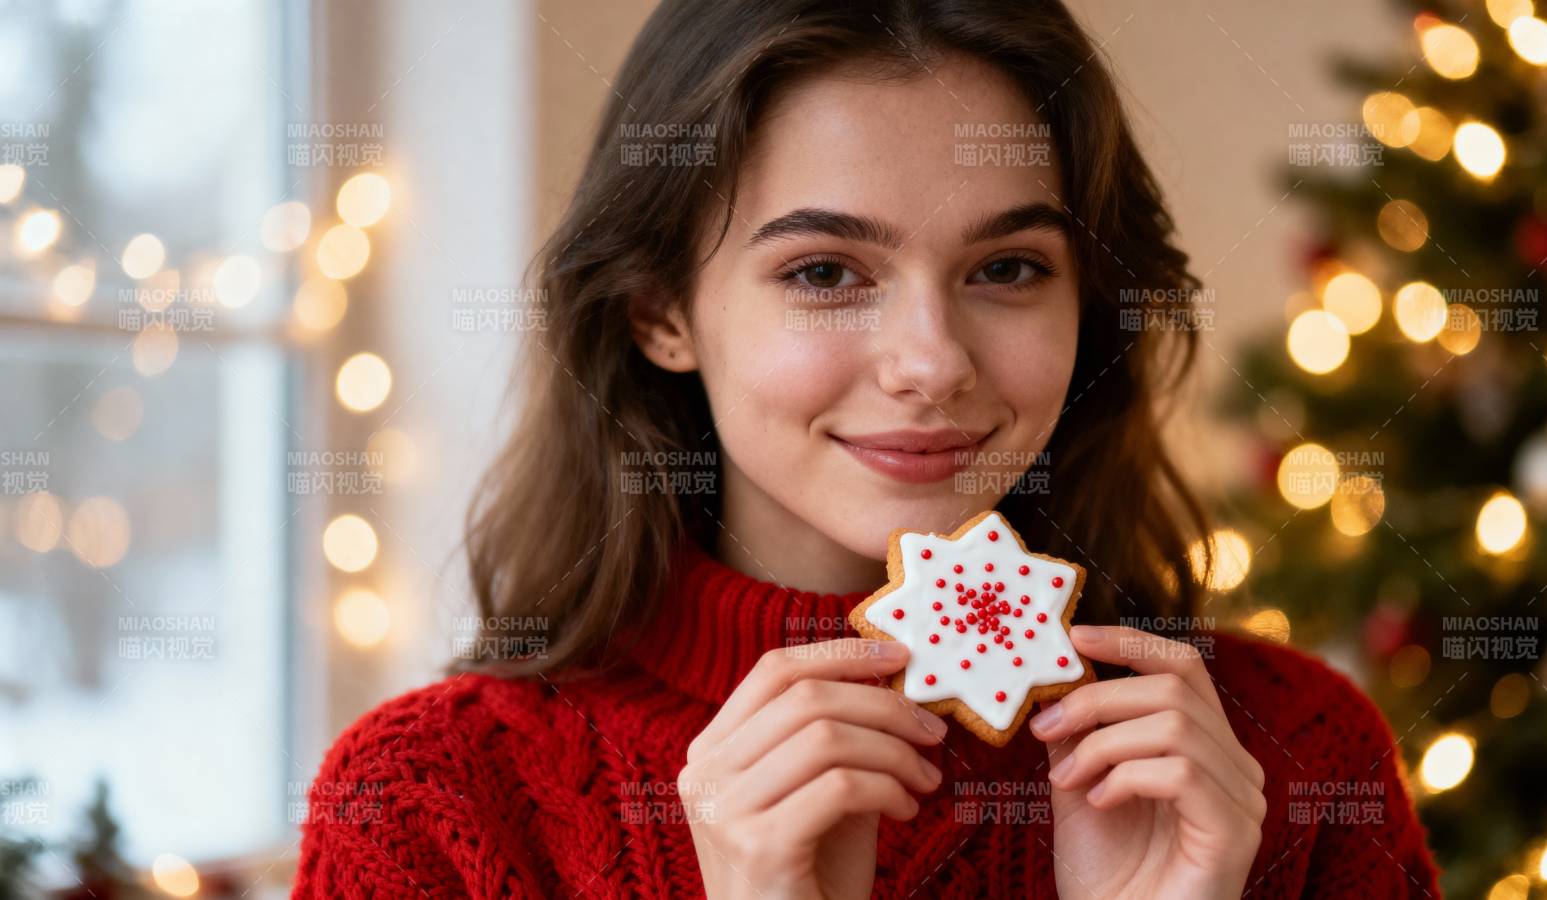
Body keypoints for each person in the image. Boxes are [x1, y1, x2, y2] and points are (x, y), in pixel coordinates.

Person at [293, 0, 1442, 896]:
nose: (931, 360)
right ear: (660, 312)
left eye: (1007, 269)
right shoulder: (426, 806)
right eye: (825, 274)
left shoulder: (1294, 761)